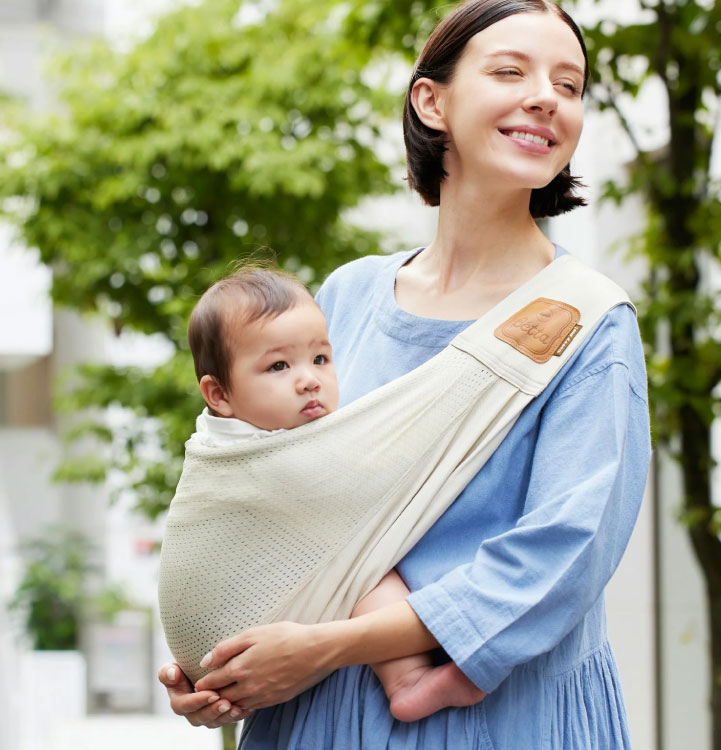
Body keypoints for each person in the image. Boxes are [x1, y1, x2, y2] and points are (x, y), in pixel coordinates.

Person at [159, 1, 651, 747]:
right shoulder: (347, 297)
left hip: (499, 717)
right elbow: (278, 490)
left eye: (571, 84)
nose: (548, 97)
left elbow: (562, 557)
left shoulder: (586, 320)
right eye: (511, 71)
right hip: (316, 715)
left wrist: (324, 647)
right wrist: (222, 659)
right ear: (432, 100)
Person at [182, 266, 486, 721]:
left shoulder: (243, 434)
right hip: (240, 628)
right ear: (219, 395)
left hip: (228, 653)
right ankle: (406, 679)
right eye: (279, 366)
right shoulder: (247, 456)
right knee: (367, 566)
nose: (309, 379)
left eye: (321, 359)